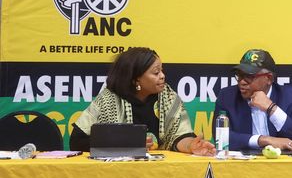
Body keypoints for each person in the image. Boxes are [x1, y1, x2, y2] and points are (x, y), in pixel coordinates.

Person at [70, 47, 215, 155]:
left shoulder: (168, 96)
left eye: (162, 70)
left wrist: (191, 146)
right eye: (156, 72)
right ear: (136, 79)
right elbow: (77, 141)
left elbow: (179, 137)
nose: (163, 76)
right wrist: (124, 144)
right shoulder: (109, 100)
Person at [214, 49, 292, 152]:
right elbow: (221, 139)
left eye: (249, 76)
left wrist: (271, 108)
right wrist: (264, 140)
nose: (242, 82)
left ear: (269, 78)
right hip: (243, 165)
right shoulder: (227, 96)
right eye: (239, 75)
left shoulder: (291, 96)